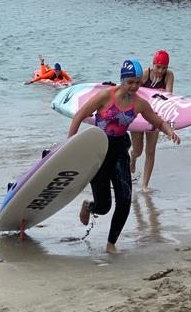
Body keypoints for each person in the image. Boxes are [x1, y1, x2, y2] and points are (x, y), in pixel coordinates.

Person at [69, 59, 180, 254]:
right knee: (104, 206)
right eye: (130, 82)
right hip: (99, 150)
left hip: (120, 149)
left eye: (137, 82)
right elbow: (79, 115)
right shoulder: (105, 96)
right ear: (122, 80)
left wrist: (169, 131)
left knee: (125, 200)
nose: (134, 86)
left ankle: (111, 244)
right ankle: (89, 206)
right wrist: (70, 143)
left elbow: (157, 121)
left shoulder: (139, 104)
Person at [131, 50, 175, 192]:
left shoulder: (169, 75)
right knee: (138, 150)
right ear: (153, 64)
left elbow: (168, 96)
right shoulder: (145, 74)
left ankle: (145, 185)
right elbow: (133, 91)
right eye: (158, 67)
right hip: (139, 115)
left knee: (150, 150)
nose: (161, 71)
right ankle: (132, 158)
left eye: (164, 68)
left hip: (155, 116)